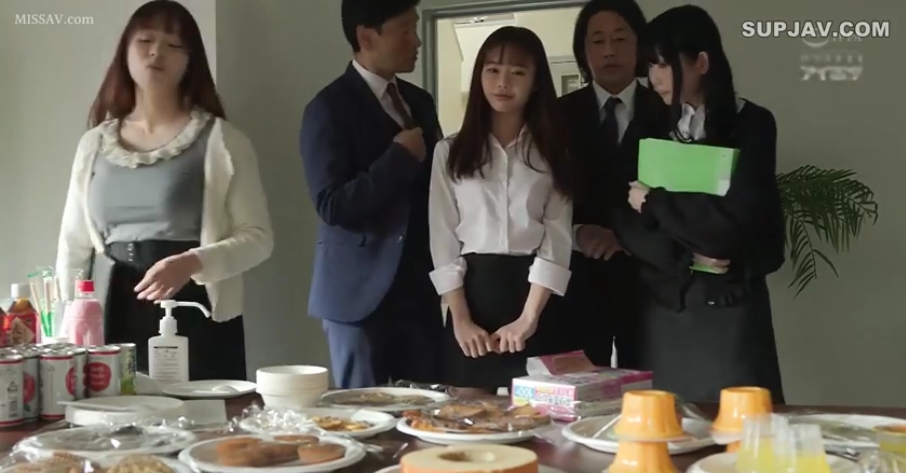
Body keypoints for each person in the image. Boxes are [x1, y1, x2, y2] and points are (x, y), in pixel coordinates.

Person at [55, 0, 273, 380]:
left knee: (202, 416)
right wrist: (68, 328)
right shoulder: (94, 145)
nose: (157, 52)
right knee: (118, 414)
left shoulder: (222, 140)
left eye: (174, 45)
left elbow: (258, 239)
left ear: (190, 61)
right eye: (145, 40)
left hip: (194, 308)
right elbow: (73, 248)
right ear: (125, 50)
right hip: (113, 309)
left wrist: (191, 262)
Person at [620, 4, 785, 402]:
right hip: (664, 305)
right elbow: (623, 216)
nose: (654, 78)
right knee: (666, 425)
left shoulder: (753, 124)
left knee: (741, 423)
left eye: (663, 64)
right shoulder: (647, 125)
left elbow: (733, 221)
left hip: (731, 305)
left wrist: (654, 204)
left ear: (702, 62)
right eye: (650, 65)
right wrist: (686, 255)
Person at [300, 0, 443, 389]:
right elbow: (332, 204)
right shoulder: (327, 108)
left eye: (415, 27)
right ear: (366, 37)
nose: (416, 40)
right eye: (405, 30)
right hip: (357, 298)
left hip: (420, 292)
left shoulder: (420, 102)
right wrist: (398, 158)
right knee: (364, 415)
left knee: (428, 411)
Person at [429, 26, 573, 394]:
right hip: (472, 298)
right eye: (492, 70)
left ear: (536, 82)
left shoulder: (554, 152)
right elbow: (443, 240)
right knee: (466, 415)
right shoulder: (450, 152)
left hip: (534, 300)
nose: (503, 82)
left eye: (518, 72)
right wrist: (460, 319)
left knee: (539, 419)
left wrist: (528, 318)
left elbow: (557, 240)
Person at [556, 0, 686, 368]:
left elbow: (684, 197)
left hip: (650, 282)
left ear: (640, 45)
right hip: (578, 282)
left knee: (651, 388)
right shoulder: (556, 115)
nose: (609, 50)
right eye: (597, 41)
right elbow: (538, 195)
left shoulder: (669, 110)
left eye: (620, 38)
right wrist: (576, 231)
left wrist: (628, 238)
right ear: (583, 51)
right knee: (580, 388)